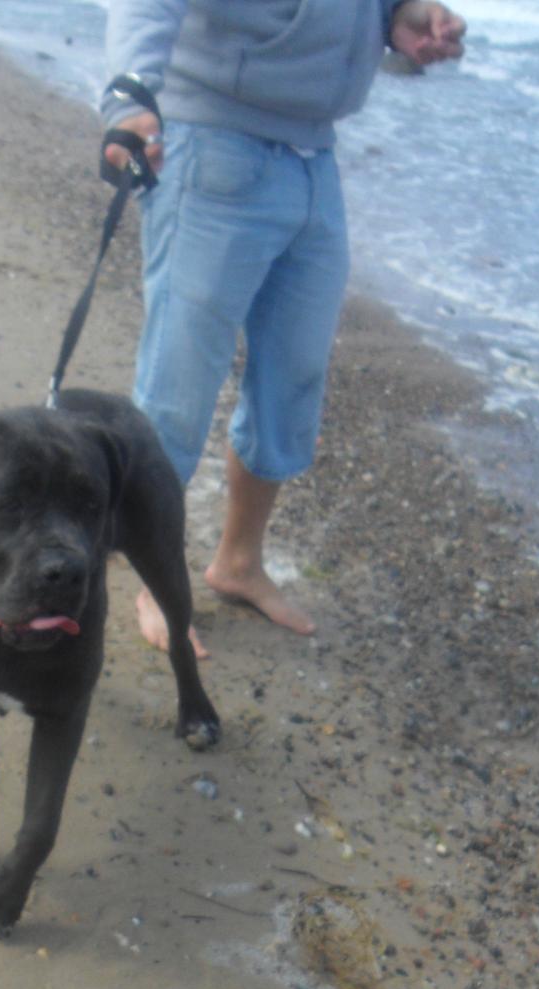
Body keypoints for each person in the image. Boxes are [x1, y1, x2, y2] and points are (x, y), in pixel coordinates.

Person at [102, 0, 466, 655]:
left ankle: (238, 563)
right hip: (210, 145)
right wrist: (130, 94)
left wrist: (402, 15)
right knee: (177, 387)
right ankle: (157, 581)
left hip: (313, 157)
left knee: (293, 377)